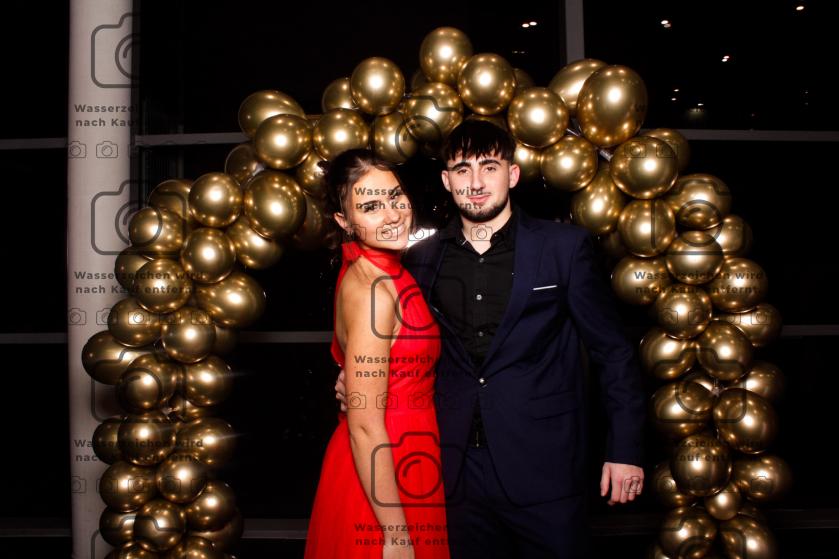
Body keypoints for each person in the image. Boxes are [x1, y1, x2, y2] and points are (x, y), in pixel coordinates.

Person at [335, 120, 646, 558]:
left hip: (547, 467)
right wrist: (352, 377)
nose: (476, 183)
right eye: (462, 170)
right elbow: (392, 339)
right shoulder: (420, 260)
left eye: (490, 167)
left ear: (512, 175)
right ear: (447, 181)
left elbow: (612, 353)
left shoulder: (564, 247)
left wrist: (624, 449)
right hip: (453, 472)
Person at [304, 149, 450, 559]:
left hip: (408, 456)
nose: (392, 215)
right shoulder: (373, 291)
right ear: (344, 222)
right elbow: (366, 425)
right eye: (370, 207)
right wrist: (395, 535)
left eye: (395, 197)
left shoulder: (389, 271)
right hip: (382, 475)